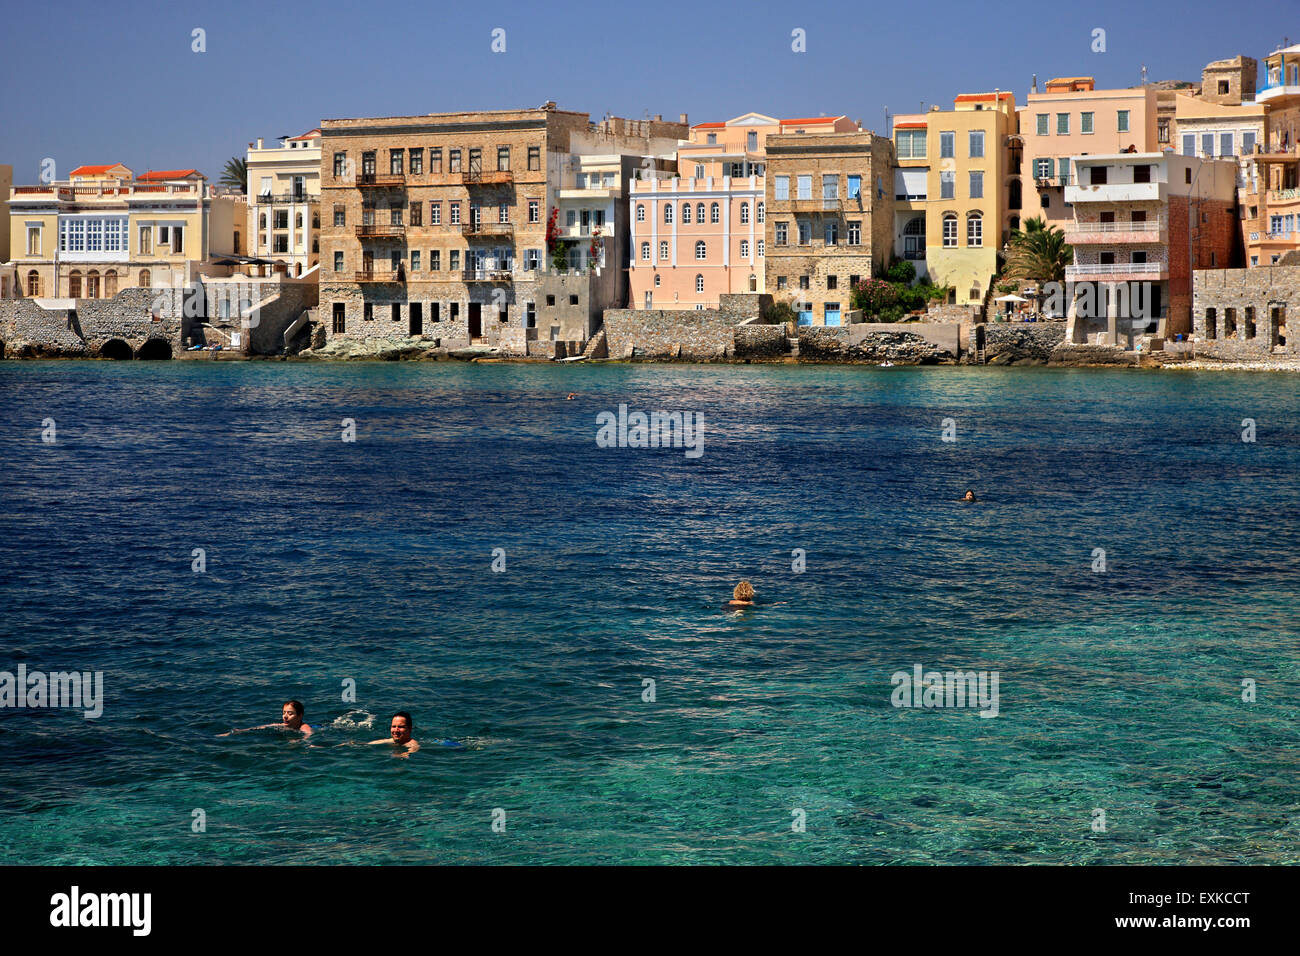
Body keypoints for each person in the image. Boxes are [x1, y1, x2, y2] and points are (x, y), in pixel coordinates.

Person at [218, 700, 312, 737]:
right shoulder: (281, 726)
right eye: (284, 713)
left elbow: (308, 735)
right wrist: (238, 731)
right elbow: (261, 727)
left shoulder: (304, 727)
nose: (285, 716)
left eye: (290, 713)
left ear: (300, 716)